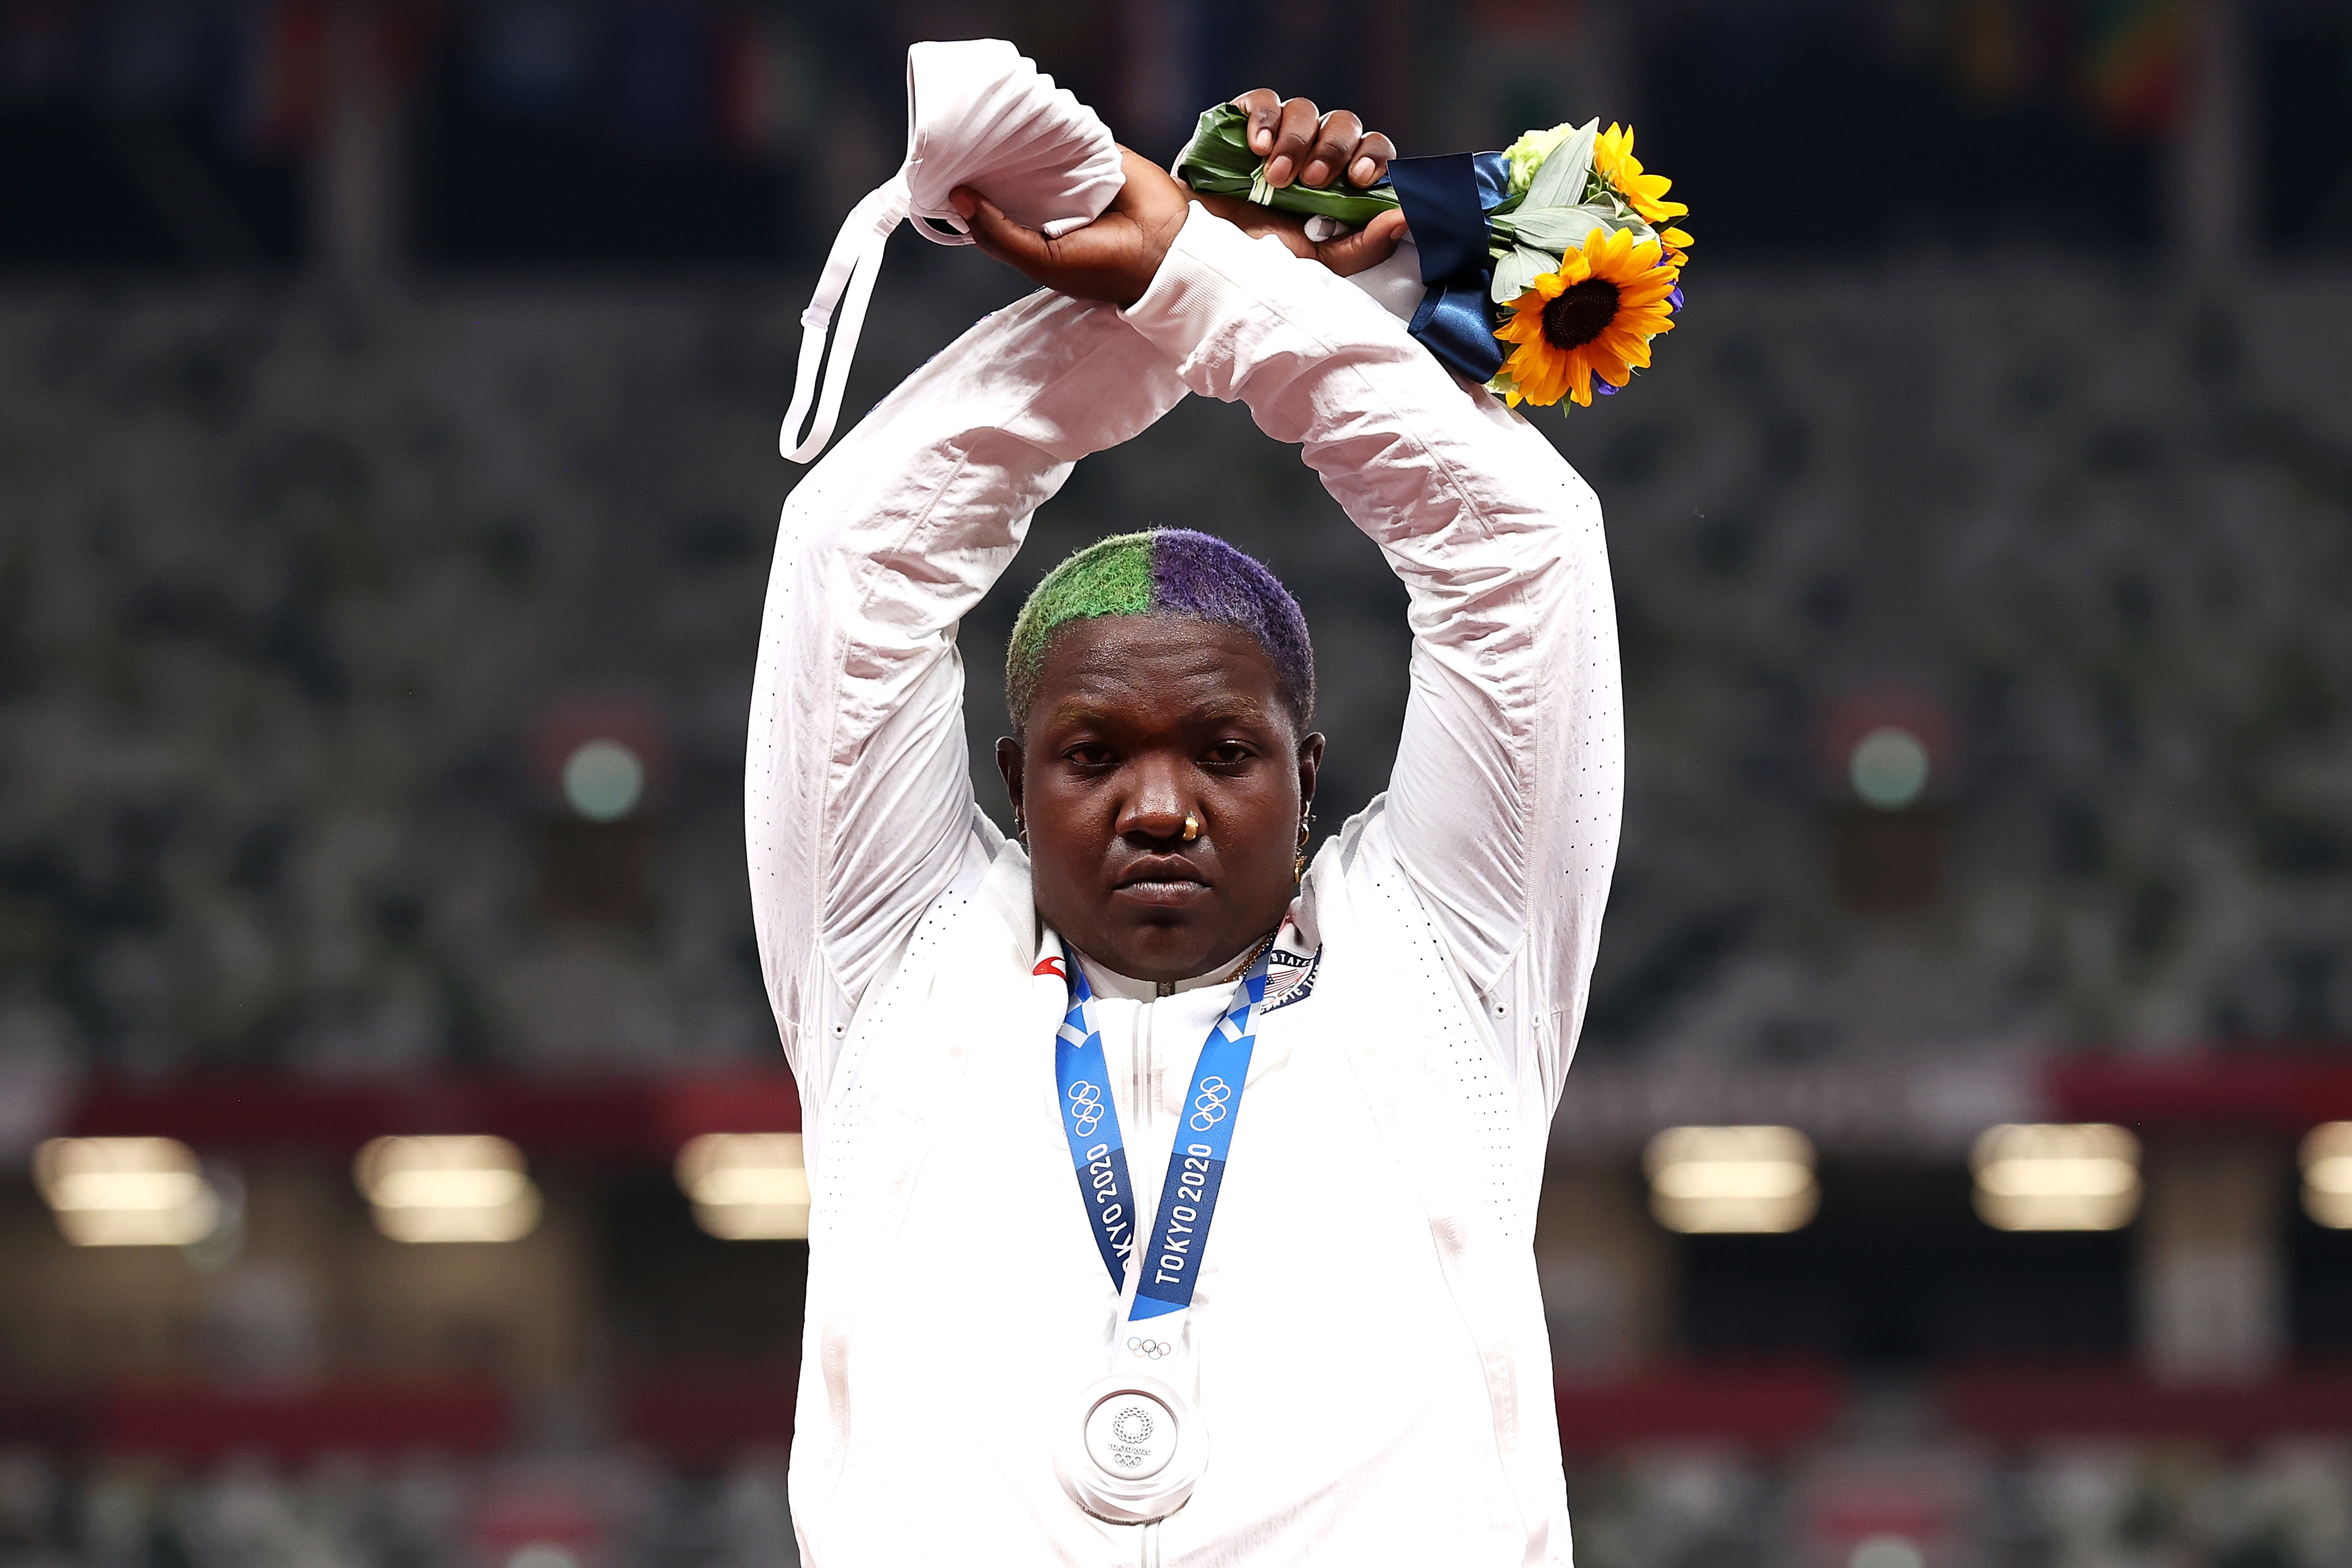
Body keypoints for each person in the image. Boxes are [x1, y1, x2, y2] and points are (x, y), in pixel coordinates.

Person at [746, 89, 1622, 1566]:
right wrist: (1204, 269)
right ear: (1015, 778)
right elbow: (861, 552)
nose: (1158, 806)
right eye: (1093, 755)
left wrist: (1207, 281)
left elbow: (1518, 557)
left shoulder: (1445, 960)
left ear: (1309, 776)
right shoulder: (895, 959)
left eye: (1223, 751)